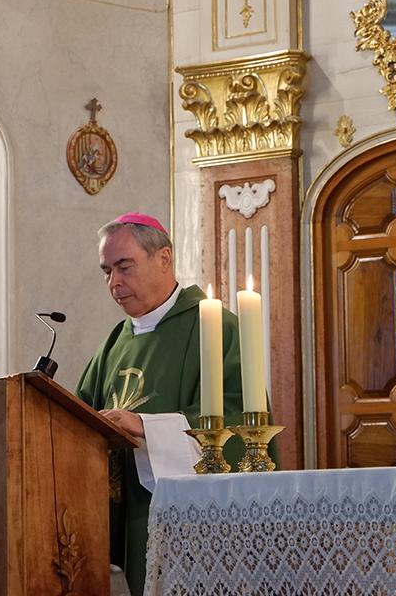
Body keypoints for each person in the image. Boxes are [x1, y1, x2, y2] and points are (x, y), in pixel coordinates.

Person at [76, 212, 275, 596]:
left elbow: (239, 421)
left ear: (164, 259)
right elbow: (77, 415)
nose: (114, 283)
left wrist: (144, 426)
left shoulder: (216, 326)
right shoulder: (117, 341)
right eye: (106, 271)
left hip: (192, 524)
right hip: (128, 512)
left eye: (124, 267)